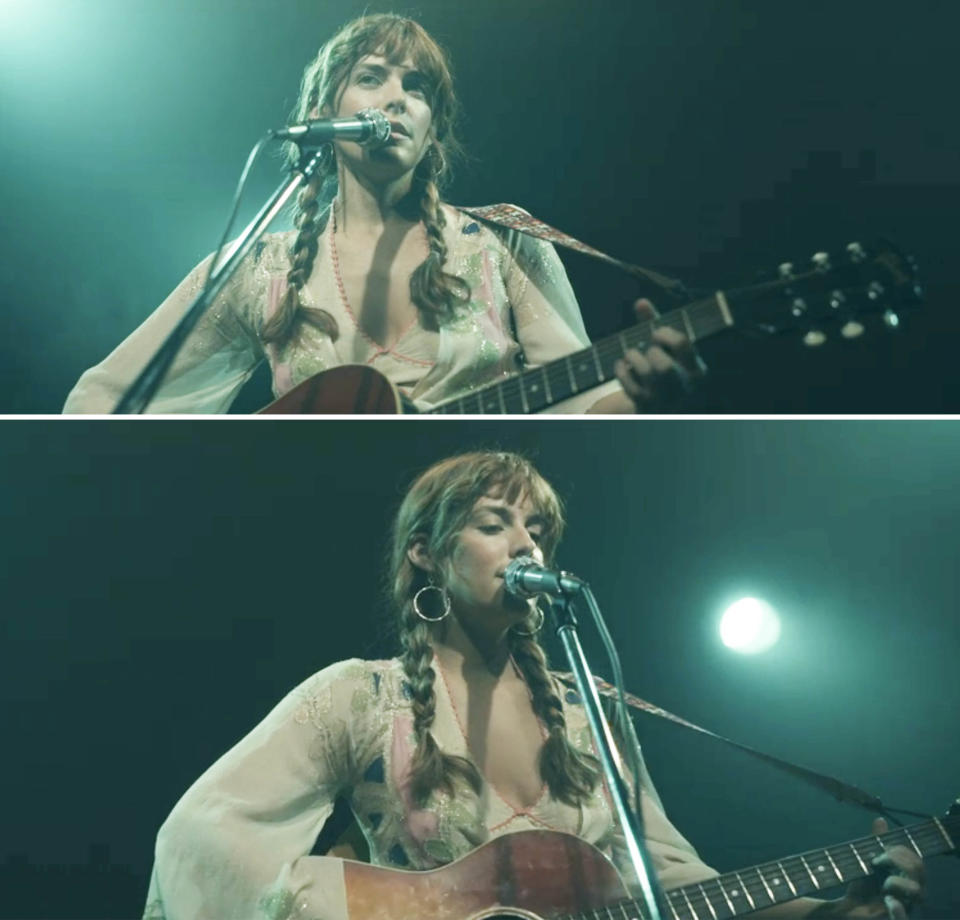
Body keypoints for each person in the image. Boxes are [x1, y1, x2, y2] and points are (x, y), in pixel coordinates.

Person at [142, 451, 924, 919]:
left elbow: (676, 884)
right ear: (426, 552)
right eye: (494, 523)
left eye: (539, 529)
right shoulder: (359, 697)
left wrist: (823, 909)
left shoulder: (591, 719)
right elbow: (203, 835)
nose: (526, 543)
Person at [63, 14, 702, 415]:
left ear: (431, 132)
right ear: (326, 109)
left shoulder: (502, 243)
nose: (396, 97)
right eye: (373, 77)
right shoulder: (262, 266)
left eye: (416, 88)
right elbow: (103, 400)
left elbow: (584, 404)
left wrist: (648, 397)